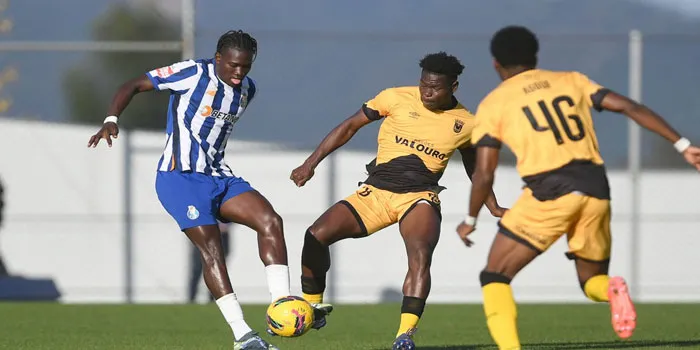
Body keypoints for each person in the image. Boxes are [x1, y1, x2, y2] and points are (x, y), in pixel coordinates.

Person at [456, 25, 700, 350]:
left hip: (549, 191)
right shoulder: (571, 80)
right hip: (596, 189)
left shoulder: (494, 104)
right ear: (535, 56)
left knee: (495, 276)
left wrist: (471, 219)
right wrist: (682, 144)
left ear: (496, 63)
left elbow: (485, 173)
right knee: (590, 282)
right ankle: (611, 286)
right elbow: (629, 107)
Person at [87, 30, 290, 350]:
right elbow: (133, 85)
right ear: (218, 58)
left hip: (220, 177)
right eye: (233, 65)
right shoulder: (193, 72)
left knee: (270, 221)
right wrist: (112, 118)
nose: (239, 73)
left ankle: (282, 308)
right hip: (179, 177)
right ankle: (243, 336)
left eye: (246, 67)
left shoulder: (248, 89)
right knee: (212, 249)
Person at [290, 52, 506, 349]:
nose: (426, 92)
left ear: (453, 87)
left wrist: (492, 205)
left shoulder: (467, 123)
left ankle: (404, 335)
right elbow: (349, 126)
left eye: (435, 88)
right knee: (315, 235)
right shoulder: (394, 97)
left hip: (419, 198)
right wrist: (310, 163)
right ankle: (313, 308)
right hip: (375, 193)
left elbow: (476, 167)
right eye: (423, 84)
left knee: (420, 253)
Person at [189, 221, 231, 303]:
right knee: (197, 269)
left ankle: (214, 299)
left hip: (221, 235)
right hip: (203, 234)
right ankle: (191, 298)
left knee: (218, 270)